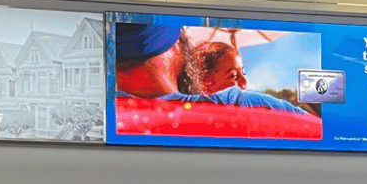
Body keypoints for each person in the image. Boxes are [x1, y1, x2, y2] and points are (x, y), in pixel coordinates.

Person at [114, 23, 307, 114]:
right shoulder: (242, 105)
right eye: (233, 75)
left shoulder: (106, 116)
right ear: (177, 45)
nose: (243, 82)